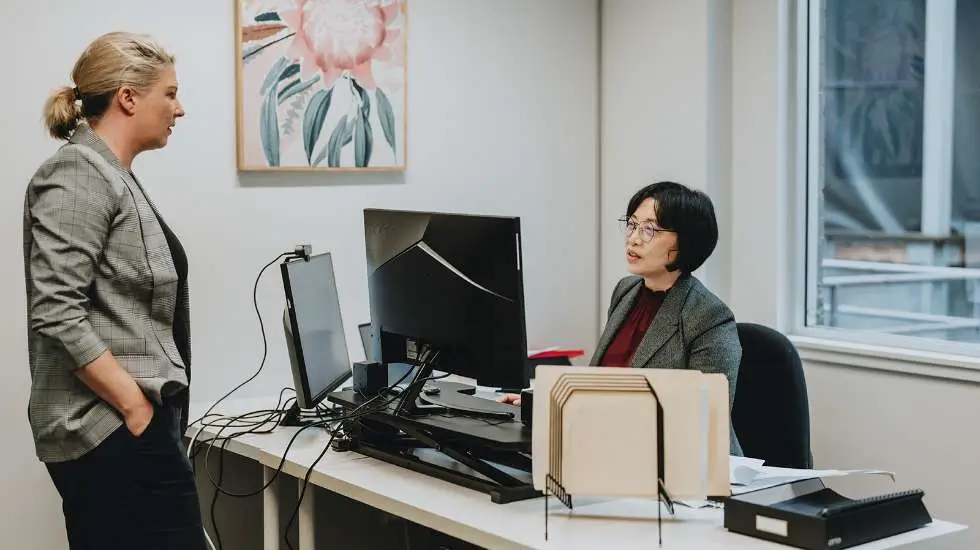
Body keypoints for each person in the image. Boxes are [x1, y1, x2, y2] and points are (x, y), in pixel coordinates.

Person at [22, 32, 204, 549]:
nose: (180, 108)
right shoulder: (77, 171)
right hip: (111, 431)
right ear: (127, 97)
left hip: (131, 429)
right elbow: (57, 310)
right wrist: (134, 406)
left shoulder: (112, 173)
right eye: (169, 93)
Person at [501, 181, 743, 456]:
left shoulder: (710, 317)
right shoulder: (626, 291)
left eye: (649, 229)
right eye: (632, 224)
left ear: (685, 242)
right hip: (609, 450)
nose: (634, 238)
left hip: (681, 470)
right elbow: (603, 386)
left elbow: (703, 420)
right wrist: (544, 404)